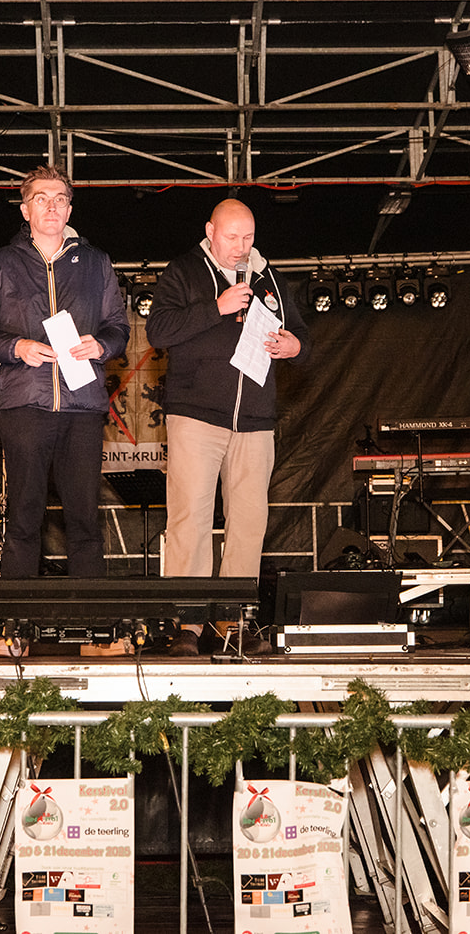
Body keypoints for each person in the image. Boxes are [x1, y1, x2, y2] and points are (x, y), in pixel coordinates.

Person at [147, 198, 309, 649]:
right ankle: (188, 623)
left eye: (248, 237)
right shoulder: (183, 271)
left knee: (249, 523)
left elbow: (303, 337)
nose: (241, 247)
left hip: (255, 422)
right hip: (196, 416)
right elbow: (158, 330)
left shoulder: (269, 277)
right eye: (232, 237)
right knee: (190, 520)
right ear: (210, 231)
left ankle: (234, 622)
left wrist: (294, 346)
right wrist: (215, 307)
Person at [0, 165, 129, 588]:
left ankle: (92, 618)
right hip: (24, 406)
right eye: (41, 199)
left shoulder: (96, 263)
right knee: (24, 516)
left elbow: (118, 327)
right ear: (25, 210)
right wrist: (16, 347)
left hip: (82, 408)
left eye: (60, 199)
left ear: (70, 209)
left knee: (84, 519)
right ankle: (16, 619)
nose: (51, 206)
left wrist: (102, 345)